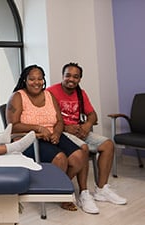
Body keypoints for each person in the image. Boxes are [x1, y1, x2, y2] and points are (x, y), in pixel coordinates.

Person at [47, 62, 127, 214]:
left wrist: (87, 125)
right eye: (68, 75)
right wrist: (65, 127)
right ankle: (84, 193)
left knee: (108, 144)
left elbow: (92, 115)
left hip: (80, 131)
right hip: (63, 133)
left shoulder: (80, 93)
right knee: (82, 149)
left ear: (80, 79)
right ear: (62, 76)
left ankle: (101, 189)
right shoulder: (51, 92)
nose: (71, 79)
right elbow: (46, 118)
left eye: (75, 77)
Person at [6, 64, 86, 211]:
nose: (36, 82)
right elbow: (12, 126)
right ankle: (63, 196)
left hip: (51, 135)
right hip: (29, 139)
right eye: (32, 79)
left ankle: (59, 187)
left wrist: (56, 133)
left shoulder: (49, 95)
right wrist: (37, 128)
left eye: (40, 79)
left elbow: (60, 121)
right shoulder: (18, 97)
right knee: (60, 158)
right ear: (25, 80)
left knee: (79, 156)